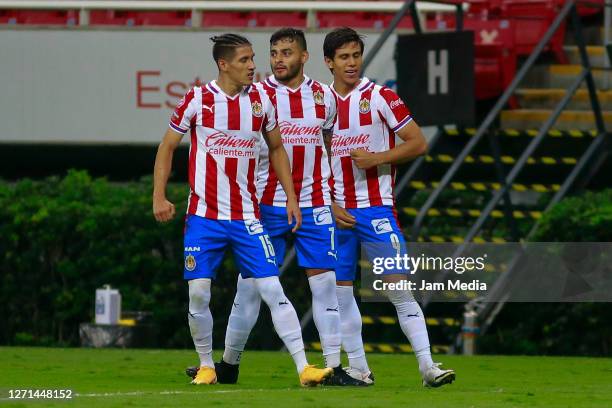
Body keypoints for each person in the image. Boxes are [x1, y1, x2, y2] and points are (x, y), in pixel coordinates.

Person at [188, 27, 366, 387]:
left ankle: (332, 366)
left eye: (286, 52)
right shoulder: (255, 95)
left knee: (326, 285)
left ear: (304, 57)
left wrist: (331, 198)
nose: (278, 60)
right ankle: (229, 363)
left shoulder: (323, 97)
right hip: (265, 204)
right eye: (273, 53)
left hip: (314, 203)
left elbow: (327, 147)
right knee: (250, 289)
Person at [152, 33, 332, 387]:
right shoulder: (198, 99)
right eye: (245, 60)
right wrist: (159, 196)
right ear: (224, 64)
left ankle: (304, 368)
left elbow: (277, 148)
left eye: (253, 59)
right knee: (199, 291)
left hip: (248, 216)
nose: (253, 66)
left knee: (272, 288)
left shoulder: (261, 101)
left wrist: (291, 196)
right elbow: (168, 145)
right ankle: (206, 366)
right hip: (204, 217)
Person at [324, 27, 456, 388]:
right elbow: (311, 160)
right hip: (335, 212)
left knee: (398, 288)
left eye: (356, 55)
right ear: (329, 62)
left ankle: (428, 367)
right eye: (344, 57)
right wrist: (330, 201)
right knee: (340, 292)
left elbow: (418, 142)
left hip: (376, 209)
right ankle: (359, 369)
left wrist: (377, 158)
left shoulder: (381, 97)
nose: (351, 63)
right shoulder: (320, 105)